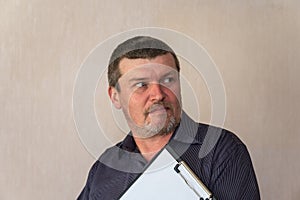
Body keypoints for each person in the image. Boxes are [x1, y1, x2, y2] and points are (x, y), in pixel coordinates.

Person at [77, 36, 260, 200]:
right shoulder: (105, 167)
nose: (158, 94)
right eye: (141, 84)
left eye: (167, 80)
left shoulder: (222, 151)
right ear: (115, 96)